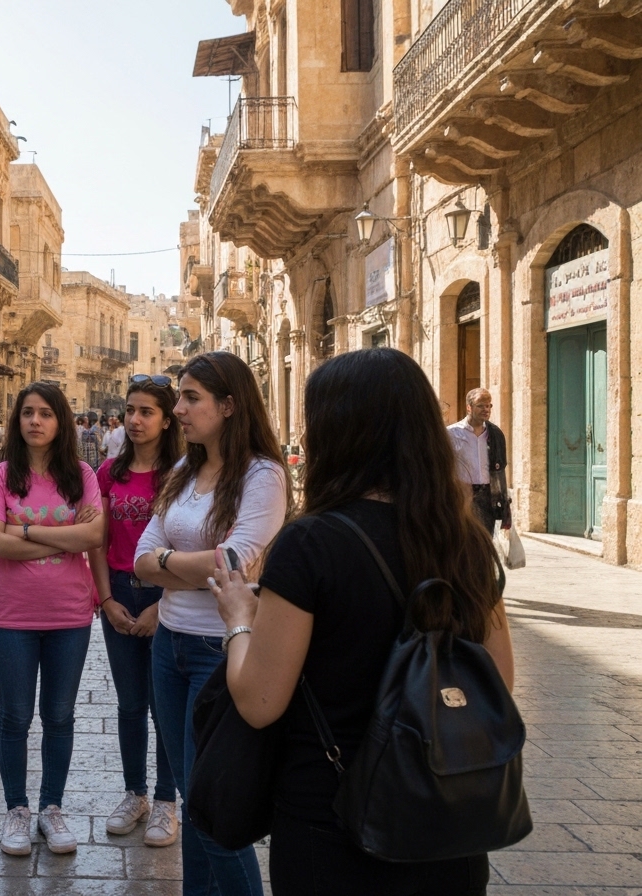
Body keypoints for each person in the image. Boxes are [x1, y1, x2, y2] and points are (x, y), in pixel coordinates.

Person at [209, 348, 514, 895]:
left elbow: (259, 702)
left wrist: (238, 620)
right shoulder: (463, 540)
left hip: (333, 823)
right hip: (447, 821)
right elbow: (499, 682)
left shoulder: (311, 543)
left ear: (337, 432)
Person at [134, 351, 289, 896]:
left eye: (190, 397)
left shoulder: (263, 476)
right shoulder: (183, 471)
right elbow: (139, 558)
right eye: (179, 397)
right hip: (168, 647)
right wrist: (189, 567)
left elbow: (237, 563)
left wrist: (169, 566)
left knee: (216, 811)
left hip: (220, 653)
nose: (178, 409)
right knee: (193, 802)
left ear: (228, 405)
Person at [0, 381, 105, 857]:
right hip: (10, 617)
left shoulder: (81, 475)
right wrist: (63, 535)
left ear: (61, 422)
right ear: (18, 421)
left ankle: (51, 808)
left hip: (70, 616)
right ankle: (17, 809)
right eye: (28, 413)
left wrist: (26, 529)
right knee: (14, 716)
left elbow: (94, 535)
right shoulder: (0, 477)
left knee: (59, 716)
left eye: (46, 413)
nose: (35, 421)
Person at [88, 374, 184, 848]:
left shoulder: (183, 474)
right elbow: (99, 544)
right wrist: (106, 600)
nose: (135, 420)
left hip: (169, 599)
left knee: (163, 705)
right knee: (129, 704)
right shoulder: (109, 473)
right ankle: (135, 794)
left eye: (146, 412)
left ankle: (167, 800)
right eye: (130, 410)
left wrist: (162, 607)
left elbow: (190, 544)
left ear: (168, 420)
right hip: (120, 593)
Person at [447, 388, 512, 531]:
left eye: (488, 405)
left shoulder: (495, 434)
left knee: (486, 541)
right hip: (462, 495)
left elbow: (500, 468)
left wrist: (502, 499)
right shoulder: (451, 434)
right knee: (463, 540)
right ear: (469, 407)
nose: (486, 409)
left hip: (487, 497)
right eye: (481, 405)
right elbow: (443, 467)